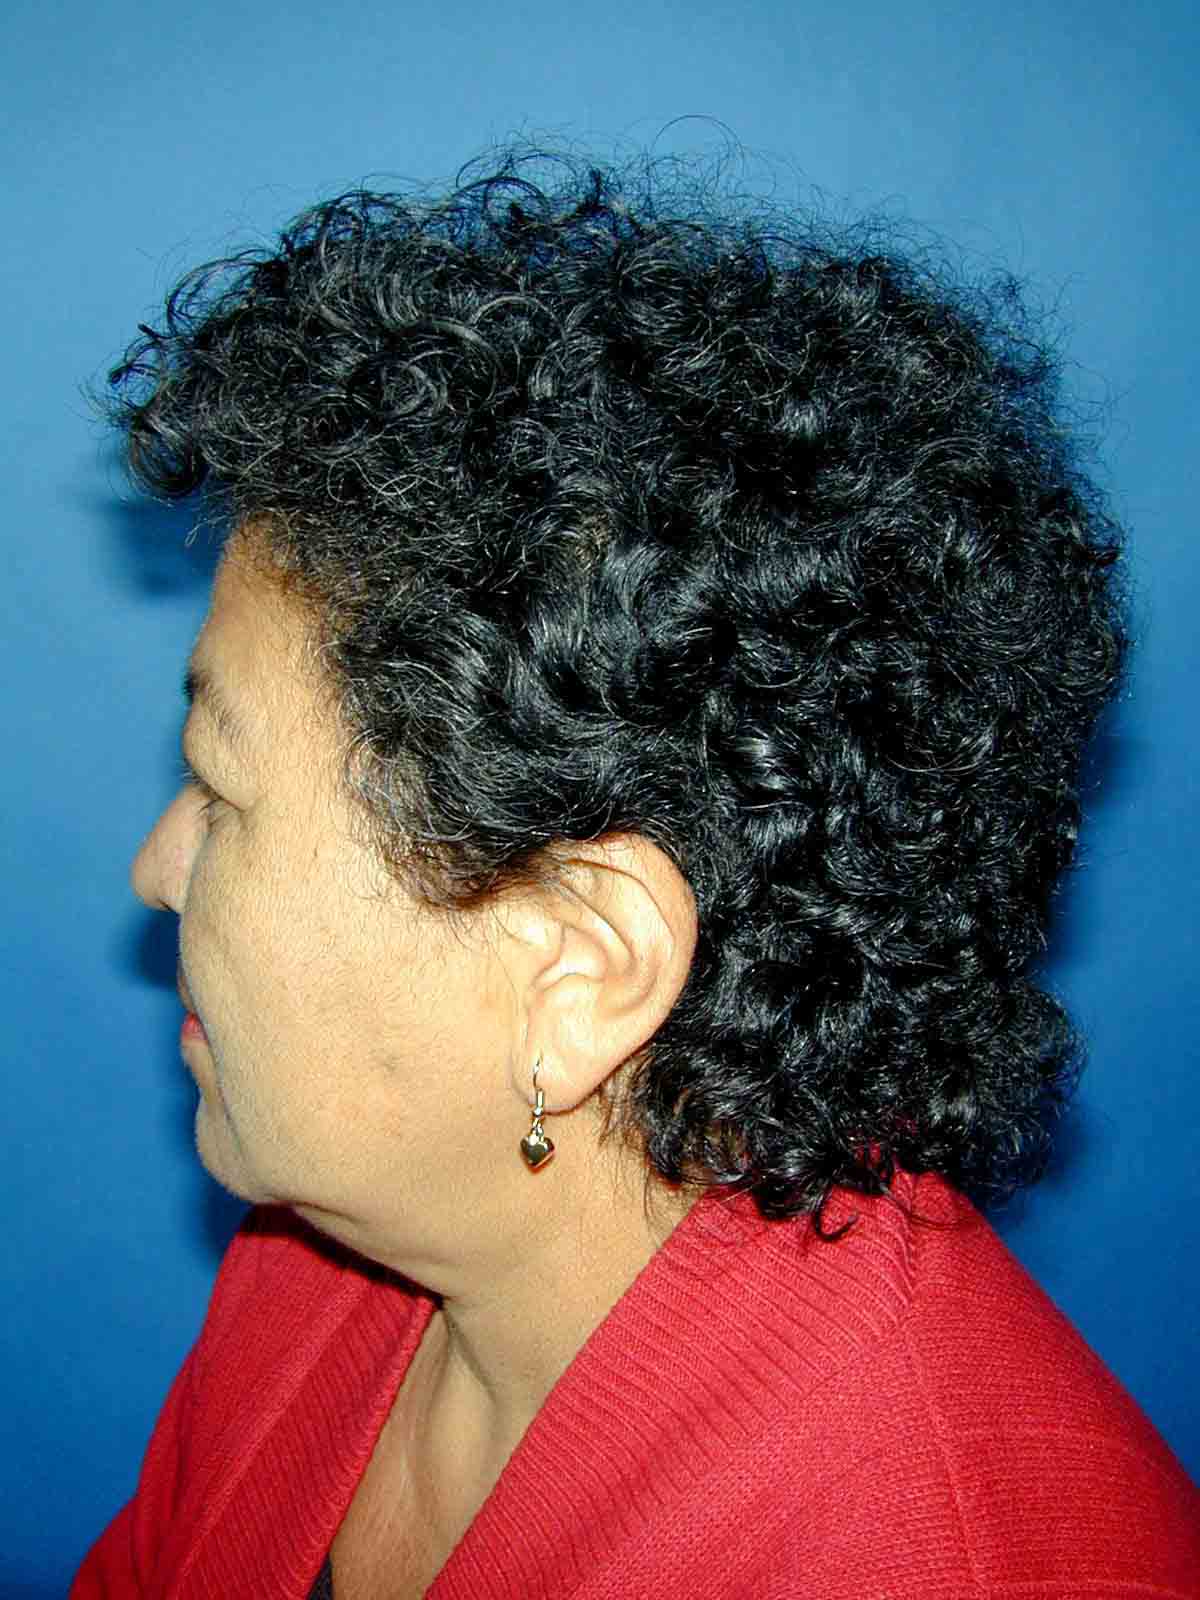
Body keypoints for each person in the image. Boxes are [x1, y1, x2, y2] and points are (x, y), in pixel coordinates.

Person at [73, 151, 1200, 1599]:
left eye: (222, 792)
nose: (158, 868)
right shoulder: (331, 1245)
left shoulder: (948, 1563)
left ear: (579, 965)